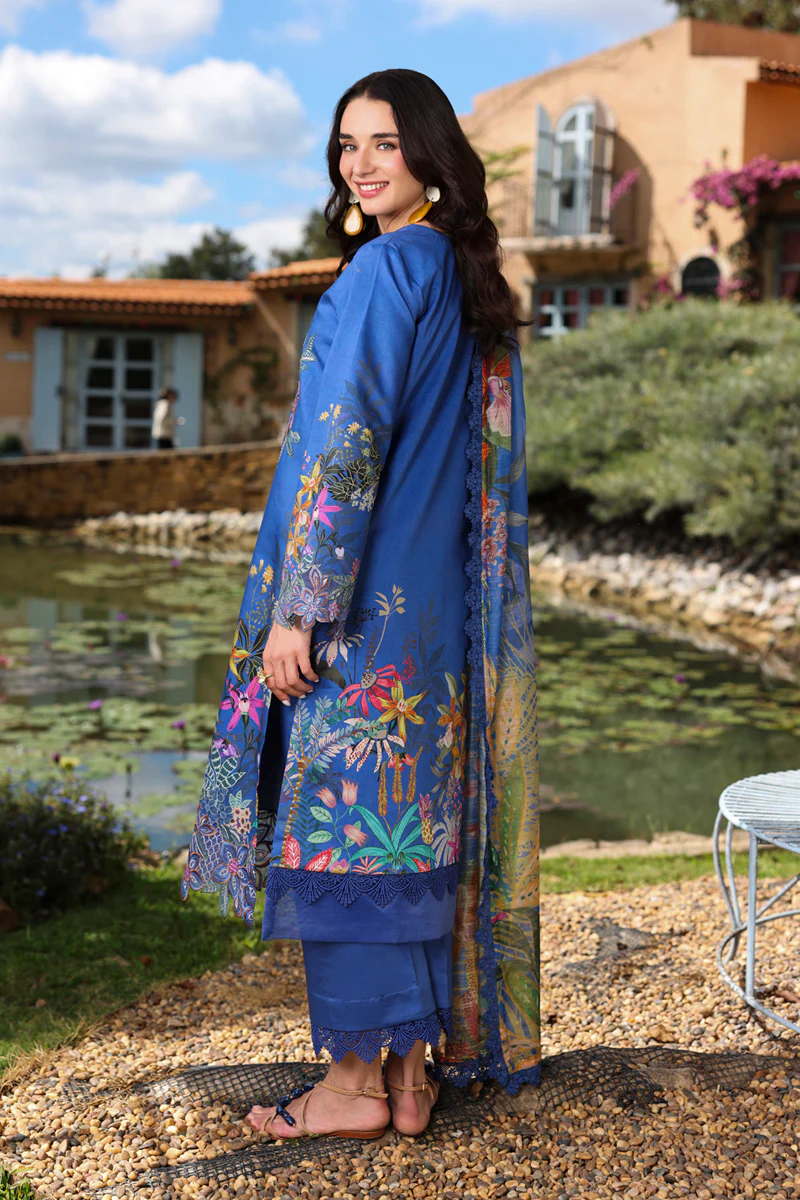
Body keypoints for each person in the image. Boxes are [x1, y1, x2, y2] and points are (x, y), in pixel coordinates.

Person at [181, 68, 540, 1141]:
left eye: (385, 141)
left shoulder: (385, 268)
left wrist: (300, 610)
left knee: (343, 838)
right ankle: (410, 1079)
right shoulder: (459, 275)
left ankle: (349, 1087)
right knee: (408, 834)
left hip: (358, 619)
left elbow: (346, 448)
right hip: (436, 624)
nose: (361, 163)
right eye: (348, 144)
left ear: (430, 154)